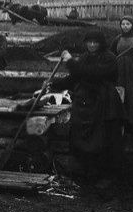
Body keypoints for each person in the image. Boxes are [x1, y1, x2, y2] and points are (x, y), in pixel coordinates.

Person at [51, 30, 124, 181]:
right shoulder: (84, 57)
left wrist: (71, 62)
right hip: (85, 102)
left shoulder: (110, 58)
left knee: (101, 136)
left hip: (103, 101)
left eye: (95, 42)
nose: (92, 45)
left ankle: (104, 173)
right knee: (83, 134)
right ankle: (86, 170)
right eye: (89, 42)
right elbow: (75, 77)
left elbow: (93, 74)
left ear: (101, 43)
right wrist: (53, 85)